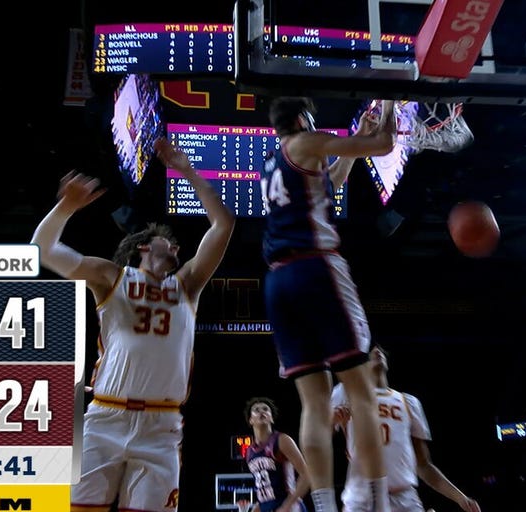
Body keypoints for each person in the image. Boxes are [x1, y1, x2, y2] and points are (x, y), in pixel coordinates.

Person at [32, 138, 235, 512]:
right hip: (107, 416)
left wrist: (188, 170)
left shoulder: (187, 285)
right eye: (168, 243)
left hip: (162, 426)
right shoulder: (112, 277)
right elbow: (43, 250)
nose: (176, 249)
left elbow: (223, 223)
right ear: (143, 248)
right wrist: (66, 206)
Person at [261, 96, 397, 512]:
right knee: (361, 394)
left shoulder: (274, 160)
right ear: (302, 119)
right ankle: (377, 504)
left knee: (315, 403)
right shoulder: (306, 141)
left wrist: (357, 139)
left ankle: (323, 506)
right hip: (316, 268)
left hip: (279, 282)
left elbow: (329, 182)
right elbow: (386, 146)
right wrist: (391, 108)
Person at [331, 346, 480, 512]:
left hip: (404, 498)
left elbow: (424, 465)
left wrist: (460, 498)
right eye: (371, 352)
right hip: (362, 497)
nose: (378, 351)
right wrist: (333, 420)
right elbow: (320, 435)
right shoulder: (346, 392)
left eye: (381, 351)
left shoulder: (408, 402)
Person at [240, 397, 311, 512]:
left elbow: (307, 475)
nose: (262, 411)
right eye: (256, 410)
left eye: (265, 409)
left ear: (271, 418)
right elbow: (265, 494)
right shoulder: (249, 452)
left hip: (289, 506)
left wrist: (287, 506)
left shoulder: (282, 440)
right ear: (250, 420)